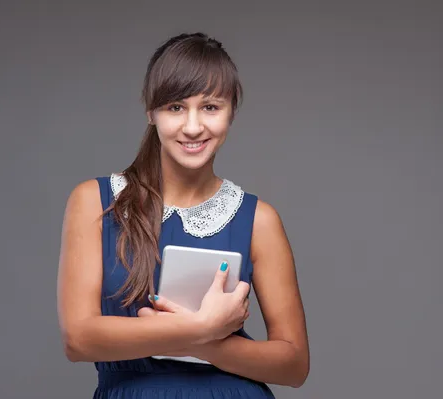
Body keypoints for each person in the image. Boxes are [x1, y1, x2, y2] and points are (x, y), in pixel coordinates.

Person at [57, 32, 309, 398]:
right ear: (151, 111)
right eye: (176, 107)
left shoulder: (259, 220)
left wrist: (203, 341)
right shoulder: (94, 202)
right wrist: (204, 326)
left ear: (231, 112)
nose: (193, 127)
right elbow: (78, 340)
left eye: (210, 107)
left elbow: (294, 365)